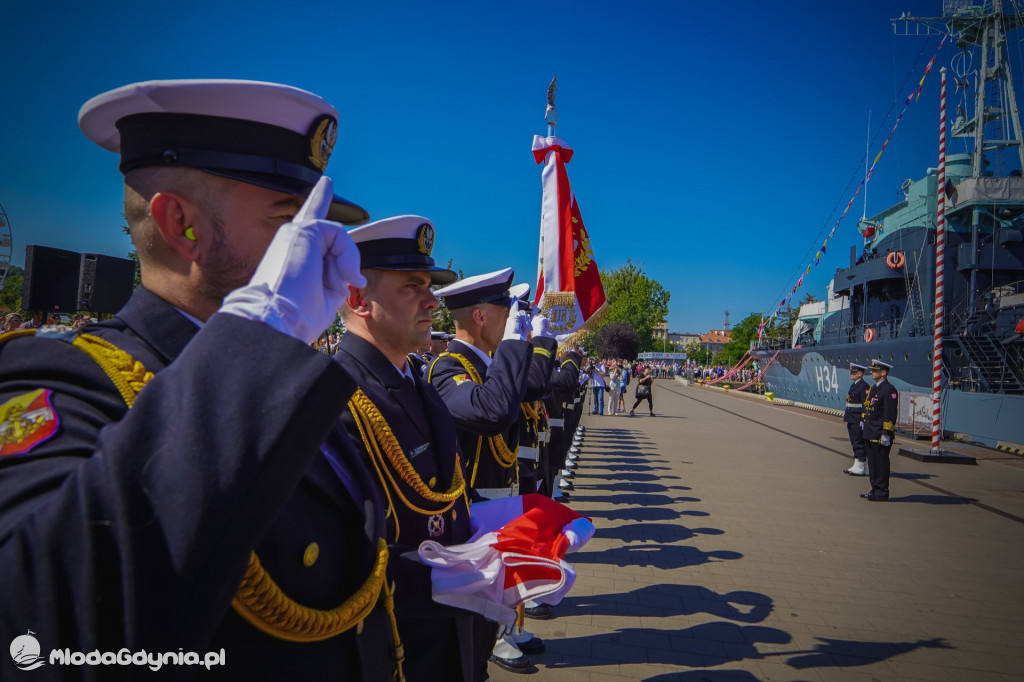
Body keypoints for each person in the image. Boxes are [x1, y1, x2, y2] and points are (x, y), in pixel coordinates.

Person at [0, 79, 401, 679]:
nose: (320, 249)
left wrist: (437, 575)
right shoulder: (65, 378)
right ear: (181, 223)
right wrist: (260, 335)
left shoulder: (291, 378)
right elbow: (41, 630)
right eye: (289, 222)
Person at [332, 215, 477, 681]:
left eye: (428, 286)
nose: (432, 301)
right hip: (394, 650)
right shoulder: (333, 398)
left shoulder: (416, 379)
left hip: (449, 640)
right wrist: (467, 576)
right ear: (358, 299)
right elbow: (340, 559)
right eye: (412, 287)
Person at [427, 268, 538, 676]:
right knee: (471, 637)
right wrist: (514, 345)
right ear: (479, 317)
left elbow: (531, 388)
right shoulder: (445, 369)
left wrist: (530, 344)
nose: (513, 318)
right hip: (470, 517)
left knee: (489, 621)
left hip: (496, 503)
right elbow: (493, 410)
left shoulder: (489, 364)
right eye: (506, 310)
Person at [861, 359, 899, 501]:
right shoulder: (875, 388)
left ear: (883, 373)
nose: (871, 372)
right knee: (872, 464)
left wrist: (886, 433)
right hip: (870, 432)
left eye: (875, 370)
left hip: (879, 434)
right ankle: (874, 489)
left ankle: (882, 492)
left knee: (881, 464)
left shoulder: (889, 390)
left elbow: (890, 413)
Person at [842, 363, 870, 476]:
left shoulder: (864, 387)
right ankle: (856, 464)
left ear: (860, 374)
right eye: (851, 372)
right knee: (854, 441)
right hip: (851, 418)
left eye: (853, 372)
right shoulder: (854, 385)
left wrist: (863, 420)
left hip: (858, 419)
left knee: (859, 442)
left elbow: (865, 405)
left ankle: (861, 466)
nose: (851, 374)